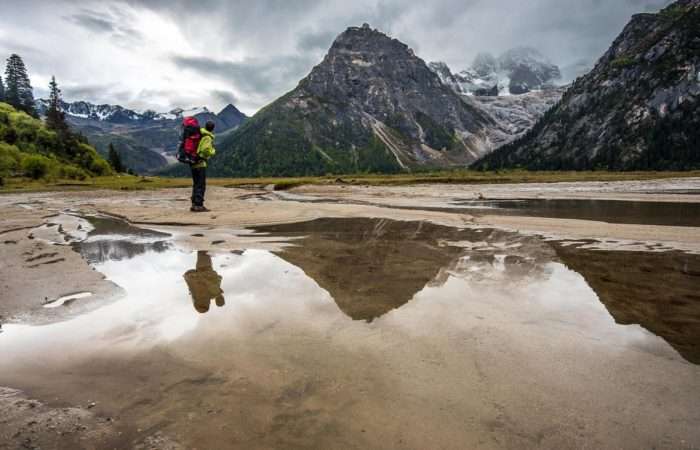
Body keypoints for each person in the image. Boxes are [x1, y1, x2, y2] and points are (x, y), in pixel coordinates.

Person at [190, 120, 216, 212]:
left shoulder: (199, 134)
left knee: (196, 184)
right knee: (201, 185)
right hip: (200, 163)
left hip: (193, 162)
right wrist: (212, 151)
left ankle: (194, 204)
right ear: (212, 128)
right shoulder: (207, 137)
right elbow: (205, 150)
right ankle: (198, 205)